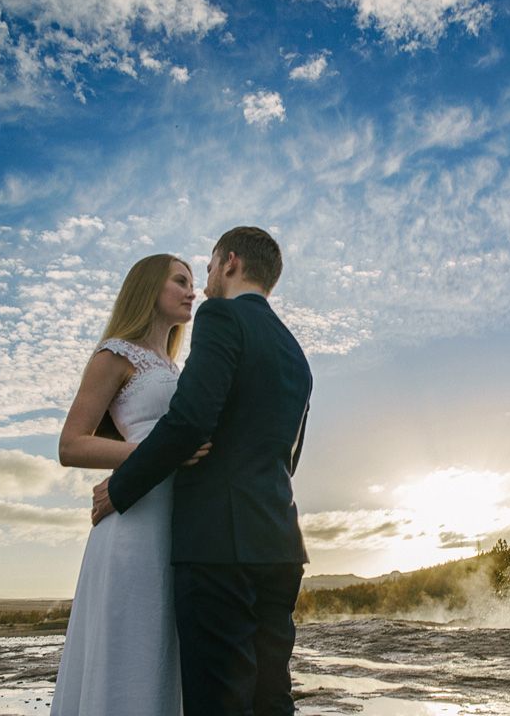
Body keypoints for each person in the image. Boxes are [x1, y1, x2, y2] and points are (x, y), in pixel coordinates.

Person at [91, 226, 313, 716]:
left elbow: (190, 420)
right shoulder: (295, 352)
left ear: (230, 262)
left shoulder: (221, 316)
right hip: (280, 546)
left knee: (219, 700)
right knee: (271, 698)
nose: (203, 281)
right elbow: (289, 456)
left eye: (208, 266)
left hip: (219, 548)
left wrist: (121, 487)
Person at [50, 253, 207, 716]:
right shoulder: (115, 354)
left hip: (175, 522)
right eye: (179, 281)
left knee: (162, 646)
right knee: (129, 643)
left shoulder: (175, 368)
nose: (190, 291)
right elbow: (71, 445)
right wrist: (158, 454)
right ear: (148, 289)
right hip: (133, 523)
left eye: (192, 282)